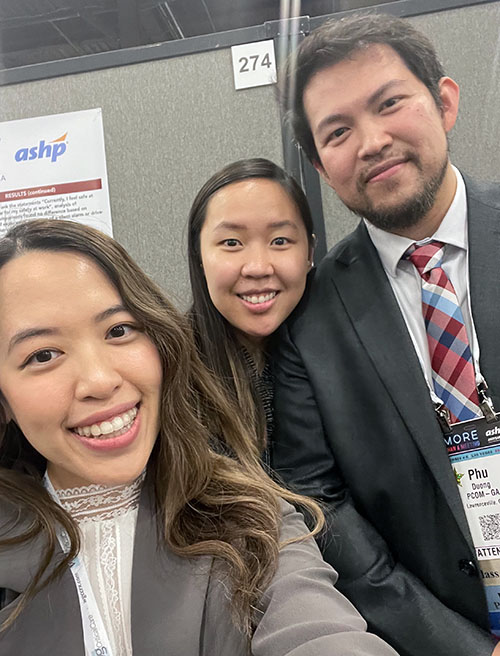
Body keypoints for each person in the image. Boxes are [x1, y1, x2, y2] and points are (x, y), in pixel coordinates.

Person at [0, 219, 397, 656]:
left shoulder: (247, 516)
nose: (99, 380)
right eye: (42, 355)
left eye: (118, 330)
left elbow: (322, 636)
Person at [273, 12, 500, 656]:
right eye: (338, 131)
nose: (371, 141)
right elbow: (323, 506)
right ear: (320, 165)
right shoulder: (306, 322)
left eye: (390, 103)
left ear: (445, 102)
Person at [187, 158, 315, 458]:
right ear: (200, 256)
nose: (257, 267)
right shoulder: (170, 374)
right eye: (231, 242)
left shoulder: (340, 356)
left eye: (280, 240)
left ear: (310, 252)